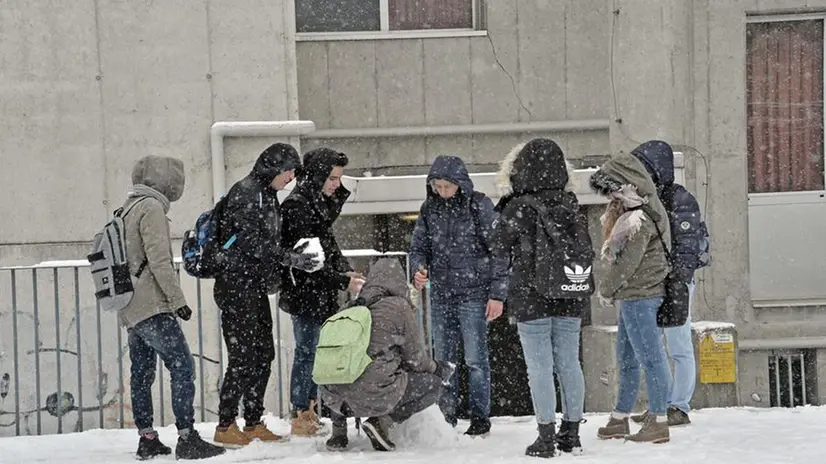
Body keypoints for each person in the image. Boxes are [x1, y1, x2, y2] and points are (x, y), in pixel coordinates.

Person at [212, 143, 321, 447]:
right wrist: (289, 258)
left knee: (263, 355)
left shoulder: (267, 195)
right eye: (287, 172)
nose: (290, 178)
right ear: (272, 167)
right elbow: (249, 242)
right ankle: (225, 423)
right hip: (236, 287)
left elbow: (266, 242)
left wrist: (289, 254)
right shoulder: (247, 192)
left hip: (253, 286)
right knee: (243, 356)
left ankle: (253, 421)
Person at [491, 139, 592, 458]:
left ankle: (546, 437)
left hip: (531, 294)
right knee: (569, 362)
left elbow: (497, 245)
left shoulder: (518, 206)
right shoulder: (570, 202)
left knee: (539, 366)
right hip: (570, 291)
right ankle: (572, 433)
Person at [121, 156, 225, 460]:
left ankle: (147, 438)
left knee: (141, 373)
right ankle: (187, 437)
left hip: (129, 306)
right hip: (152, 305)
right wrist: (178, 301)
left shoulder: (126, 207)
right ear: (165, 181)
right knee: (182, 366)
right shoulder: (150, 208)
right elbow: (159, 261)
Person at [408, 155, 509, 436]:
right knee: (443, 361)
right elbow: (418, 249)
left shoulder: (479, 205)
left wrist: (497, 294)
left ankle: (480, 419)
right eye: (437, 186)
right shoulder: (429, 209)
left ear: (460, 185)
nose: (442, 191)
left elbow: (499, 250)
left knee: (476, 360)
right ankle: (446, 417)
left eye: (446, 186)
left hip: (474, 295)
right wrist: (418, 269)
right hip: (441, 294)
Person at [319, 258, 455, 452]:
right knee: (432, 385)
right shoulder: (398, 307)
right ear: (399, 281)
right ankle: (380, 422)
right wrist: (438, 368)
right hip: (372, 397)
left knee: (340, 369)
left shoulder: (348, 308)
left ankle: (338, 434)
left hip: (335, 400)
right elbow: (416, 359)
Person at [279, 148, 365, 436]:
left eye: (338, 178)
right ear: (317, 176)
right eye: (331, 178)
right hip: (306, 293)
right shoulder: (300, 207)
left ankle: (308, 408)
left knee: (316, 353)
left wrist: (343, 272)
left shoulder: (315, 204)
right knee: (308, 352)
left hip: (316, 292)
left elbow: (328, 247)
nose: (336, 184)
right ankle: (302, 410)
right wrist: (342, 279)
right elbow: (309, 262)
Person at [589, 152, 674, 444]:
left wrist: (606, 288)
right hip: (634, 296)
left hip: (641, 295)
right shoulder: (637, 212)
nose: (613, 195)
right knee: (627, 359)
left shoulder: (641, 217)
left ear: (631, 184)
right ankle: (620, 417)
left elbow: (628, 263)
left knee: (650, 359)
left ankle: (659, 421)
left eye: (615, 188)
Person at [630, 140, 711, 426]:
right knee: (657, 347)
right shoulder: (646, 200)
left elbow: (687, 245)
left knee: (678, 345)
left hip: (676, 281)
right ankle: (661, 404)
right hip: (654, 281)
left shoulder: (680, 199)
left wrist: (679, 279)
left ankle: (679, 406)